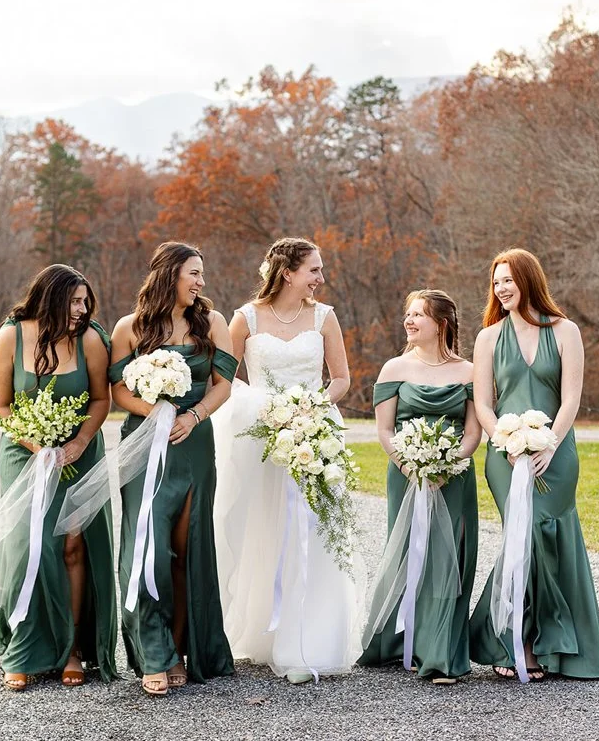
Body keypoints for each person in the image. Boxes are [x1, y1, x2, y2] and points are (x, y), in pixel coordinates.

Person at [212, 237, 361, 684]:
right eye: (314, 269)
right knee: (261, 527)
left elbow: (341, 379)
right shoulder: (246, 318)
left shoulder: (324, 317)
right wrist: (265, 408)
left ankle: (308, 639)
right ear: (288, 271)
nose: (320, 277)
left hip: (314, 435)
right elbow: (225, 378)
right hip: (259, 440)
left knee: (315, 532)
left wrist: (310, 407)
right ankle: (260, 632)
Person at [468, 249, 599, 681]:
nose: (501, 289)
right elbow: (483, 404)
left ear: (528, 280)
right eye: (496, 283)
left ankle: (554, 643)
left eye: (508, 280)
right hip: (504, 455)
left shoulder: (566, 331)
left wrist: (551, 443)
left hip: (556, 452)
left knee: (545, 531)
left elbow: (571, 398)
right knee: (521, 533)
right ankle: (519, 641)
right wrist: (503, 442)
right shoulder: (489, 338)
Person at [0, 264, 116, 690]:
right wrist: (37, 444)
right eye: (74, 301)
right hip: (24, 453)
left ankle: (72, 648)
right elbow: (0, 406)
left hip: (79, 453)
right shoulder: (12, 336)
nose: (82, 309)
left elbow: (100, 399)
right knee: (25, 545)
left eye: (84, 301)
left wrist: (77, 443)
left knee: (73, 546)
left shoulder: (89, 338)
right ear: (51, 298)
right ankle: (22, 649)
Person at [108, 242, 237, 696]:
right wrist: (155, 413)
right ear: (169, 276)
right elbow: (116, 391)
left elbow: (224, 387)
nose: (201, 282)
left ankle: (184, 648)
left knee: (188, 546)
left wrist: (192, 415)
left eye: (202, 274)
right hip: (145, 446)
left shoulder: (213, 323)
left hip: (194, 443)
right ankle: (154, 653)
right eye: (194, 274)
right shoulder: (129, 328)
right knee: (149, 547)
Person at [360, 290, 481, 685]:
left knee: (450, 558)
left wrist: (449, 464)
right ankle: (398, 641)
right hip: (406, 475)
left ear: (441, 324)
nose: (409, 322)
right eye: (407, 314)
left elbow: (473, 433)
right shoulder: (394, 368)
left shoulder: (469, 372)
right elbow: (383, 430)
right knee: (409, 553)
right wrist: (412, 464)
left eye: (419, 315)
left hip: (455, 477)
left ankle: (441, 652)